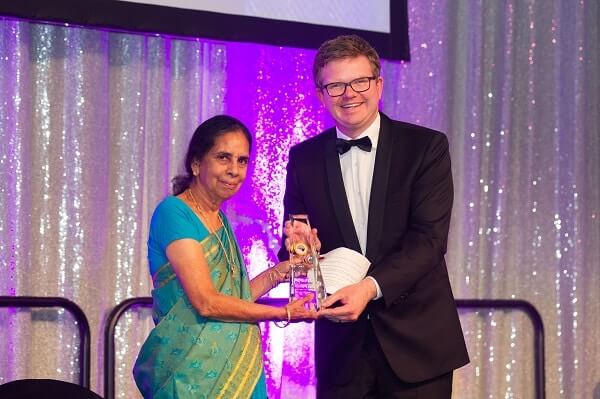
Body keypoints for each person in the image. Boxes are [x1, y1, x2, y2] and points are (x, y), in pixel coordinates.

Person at [279, 35, 469, 398]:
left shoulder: (425, 147)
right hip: (342, 353)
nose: (349, 94)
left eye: (359, 81)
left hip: (417, 346)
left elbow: (429, 241)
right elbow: (292, 246)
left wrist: (368, 288)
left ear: (378, 85)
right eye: (335, 85)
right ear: (321, 94)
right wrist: (304, 254)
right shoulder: (304, 159)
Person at [133, 115, 317, 399]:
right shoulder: (174, 213)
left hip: (238, 370)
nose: (234, 170)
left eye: (242, 161)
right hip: (191, 375)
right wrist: (283, 313)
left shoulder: (219, 220)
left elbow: (237, 297)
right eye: (223, 157)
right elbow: (207, 302)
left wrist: (287, 269)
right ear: (196, 163)